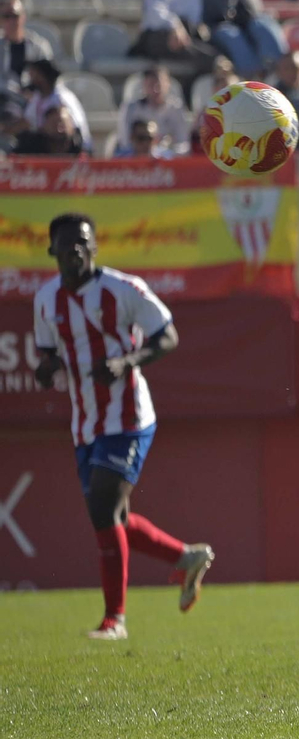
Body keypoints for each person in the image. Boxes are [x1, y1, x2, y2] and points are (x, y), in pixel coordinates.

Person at [30, 213, 214, 641]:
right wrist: (47, 369)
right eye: (66, 243)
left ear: (95, 248)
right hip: (85, 422)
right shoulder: (45, 300)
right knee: (115, 515)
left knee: (102, 509)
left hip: (129, 416)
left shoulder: (123, 289)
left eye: (83, 241)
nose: (75, 248)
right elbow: (46, 354)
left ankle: (115, 619)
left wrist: (126, 361)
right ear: (52, 250)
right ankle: (185, 558)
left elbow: (166, 335)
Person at [0, 0, 54, 115]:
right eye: (6, 16)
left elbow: (48, 79)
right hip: (5, 101)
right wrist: (16, 92)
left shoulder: (39, 47)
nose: (11, 21)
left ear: (23, 17)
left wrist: (34, 95)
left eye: (15, 16)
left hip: (36, 100)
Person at [118, 64, 190, 152]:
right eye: (151, 85)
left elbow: (182, 142)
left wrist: (167, 154)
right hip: (138, 158)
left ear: (168, 84)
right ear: (144, 86)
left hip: (169, 159)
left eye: (159, 85)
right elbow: (125, 142)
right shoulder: (131, 108)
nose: (156, 90)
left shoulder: (176, 108)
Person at [21, 57, 91, 145]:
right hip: (46, 147)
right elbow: (26, 122)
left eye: (34, 74)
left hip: (70, 149)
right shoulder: (38, 97)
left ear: (42, 76)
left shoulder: (62, 98)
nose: (30, 78)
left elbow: (73, 130)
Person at [13, 103, 86, 155]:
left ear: (72, 127)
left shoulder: (80, 153)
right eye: (54, 124)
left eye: (62, 124)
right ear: (43, 128)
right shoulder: (28, 151)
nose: (59, 129)